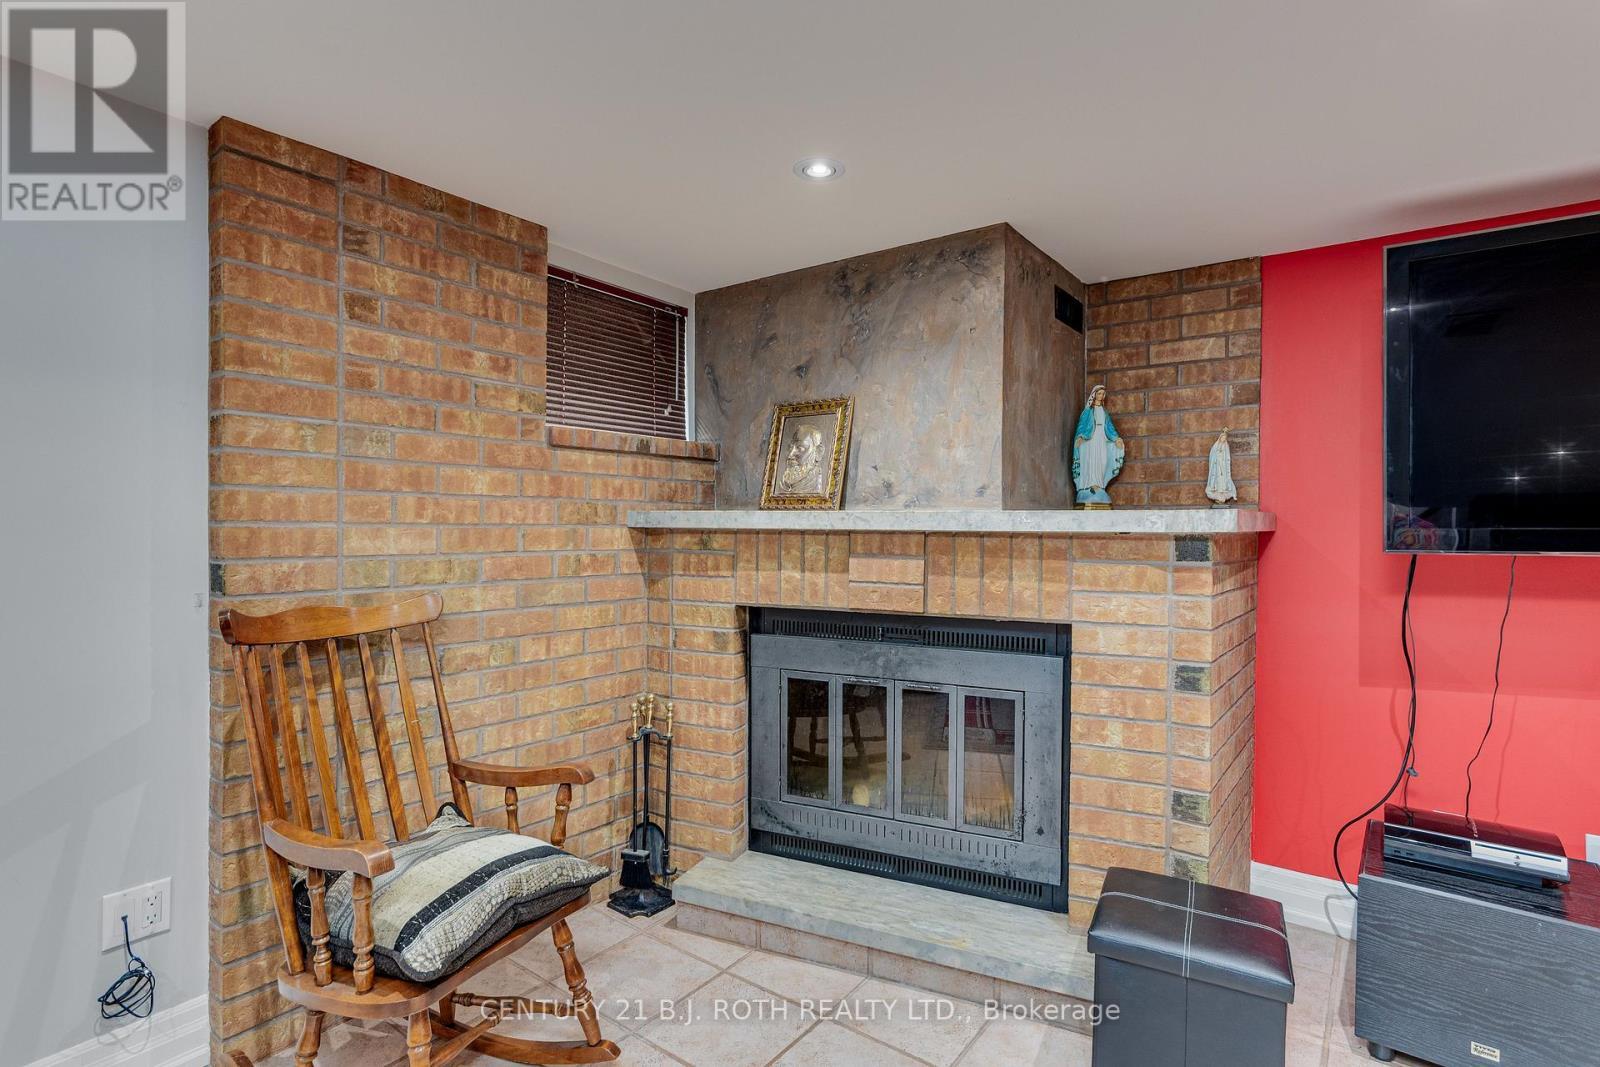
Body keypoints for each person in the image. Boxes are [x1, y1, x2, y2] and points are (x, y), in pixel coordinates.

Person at [1072, 385, 1124, 508]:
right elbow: (1082, 426)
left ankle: (1099, 485)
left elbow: (1109, 427)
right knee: (1091, 461)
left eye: (1103, 394)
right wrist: (1080, 436)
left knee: (1102, 461)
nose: (1101, 396)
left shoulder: (1104, 412)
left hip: (1102, 439)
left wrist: (1116, 438)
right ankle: (1090, 485)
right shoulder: (1088, 411)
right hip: (1090, 440)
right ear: (1094, 395)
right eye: (1099, 393)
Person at [1206, 427, 1237, 504]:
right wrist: (1217, 457)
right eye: (1222, 438)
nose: (1223, 439)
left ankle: (1223, 492)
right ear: (1220, 438)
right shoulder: (1216, 446)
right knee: (1217, 479)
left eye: (1225, 438)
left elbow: (1227, 458)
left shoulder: (1226, 447)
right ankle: (1217, 492)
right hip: (1217, 467)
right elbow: (1213, 456)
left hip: (1223, 467)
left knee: (1223, 479)